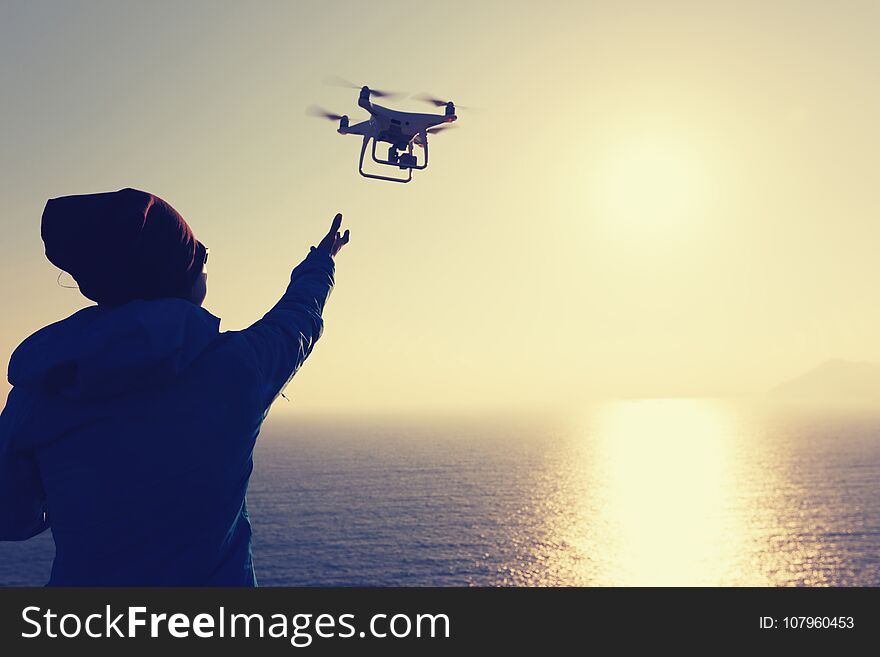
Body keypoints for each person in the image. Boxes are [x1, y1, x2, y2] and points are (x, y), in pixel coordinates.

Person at [0, 188, 349, 585]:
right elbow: (297, 318)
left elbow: (9, 517)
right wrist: (321, 262)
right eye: (199, 263)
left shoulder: (39, 389)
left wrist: (74, 505)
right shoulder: (238, 368)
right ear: (178, 280)